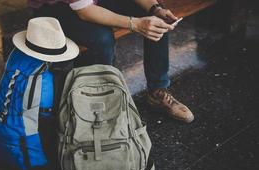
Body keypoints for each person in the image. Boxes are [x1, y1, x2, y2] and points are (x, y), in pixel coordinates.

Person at [28, 0, 194, 123]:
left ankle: (157, 91)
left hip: (91, 3)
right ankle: (98, 105)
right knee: (101, 38)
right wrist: (136, 24)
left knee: (156, 17)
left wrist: (155, 9)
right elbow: (85, 11)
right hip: (54, 10)